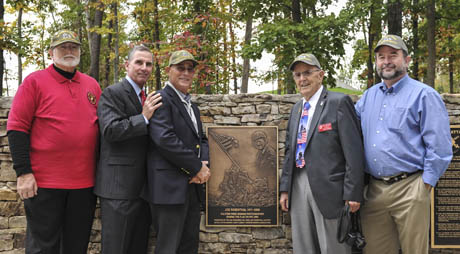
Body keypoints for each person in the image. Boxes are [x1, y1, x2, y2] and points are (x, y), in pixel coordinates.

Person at [355, 34, 453, 254]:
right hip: (374, 190)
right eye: (381, 57)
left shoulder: (424, 95)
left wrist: (424, 185)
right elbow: (348, 132)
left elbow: (440, 147)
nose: (386, 61)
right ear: (376, 62)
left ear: (406, 60)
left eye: (393, 55)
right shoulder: (368, 97)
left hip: (410, 187)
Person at [7, 29, 100, 254]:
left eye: (74, 47)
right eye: (63, 47)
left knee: (76, 246)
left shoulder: (92, 86)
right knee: (43, 247)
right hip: (45, 184)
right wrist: (23, 172)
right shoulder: (34, 82)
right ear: (51, 53)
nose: (69, 51)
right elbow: (16, 128)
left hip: (84, 185)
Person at [279, 53, 365, 254]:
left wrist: (353, 193)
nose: (302, 79)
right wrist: (285, 188)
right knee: (303, 247)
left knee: (333, 248)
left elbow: (354, 152)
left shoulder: (338, 102)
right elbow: (291, 151)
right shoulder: (296, 109)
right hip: (298, 186)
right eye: (297, 75)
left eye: (307, 73)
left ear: (321, 75)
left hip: (331, 191)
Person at [94, 45, 162, 254]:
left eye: (148, 64)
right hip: (118, 190)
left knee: (138, 247)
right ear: (127, 65)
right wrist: (143, 118)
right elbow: (111, 131)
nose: (144, 67)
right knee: (116, 248)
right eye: (139, 62)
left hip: (143, 190)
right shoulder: (112, 93)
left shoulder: (147, 97)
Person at [145, 50, 210, 254]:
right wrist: (196, 167)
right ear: (168, 70)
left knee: (188, 246)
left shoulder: (192, 106)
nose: (186, 73)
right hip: (169, 190)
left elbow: (202, 139)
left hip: (191, 188)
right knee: (168, 248)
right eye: (180, 68)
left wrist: (204, 164)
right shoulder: (161, 99)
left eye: (190, 69)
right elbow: (165, 139)